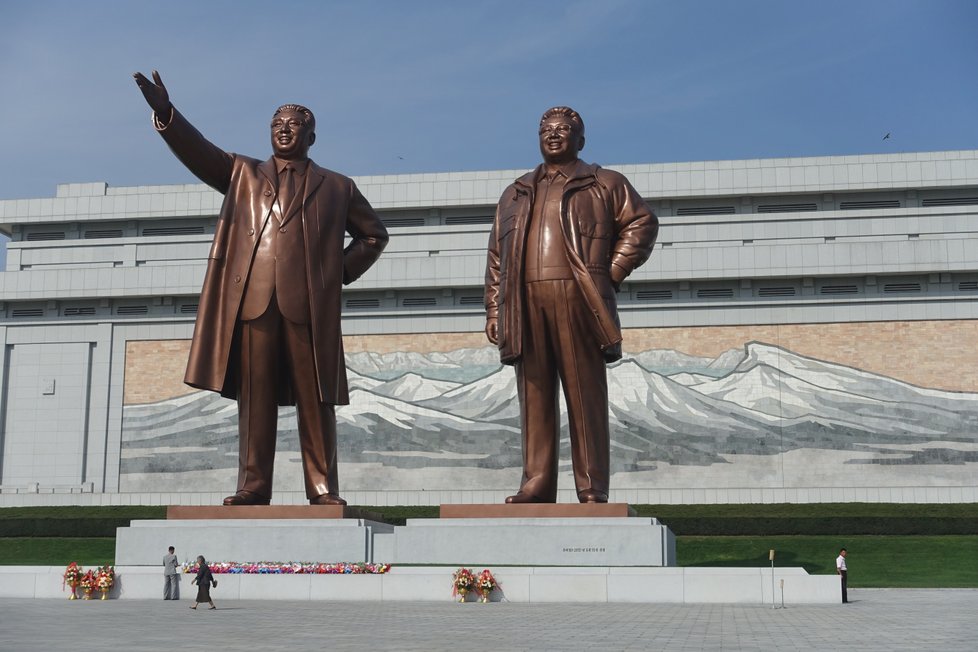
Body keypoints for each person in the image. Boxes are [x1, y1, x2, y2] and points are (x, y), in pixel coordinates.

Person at [133, 71, 389, 507]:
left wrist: (334, 275)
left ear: (312, 136)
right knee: (255, 400)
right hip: (253, 302)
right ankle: (253, 486)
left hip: (307, 306)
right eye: (276, 124)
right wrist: (166, 114)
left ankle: (323, 488)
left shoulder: (338, 187)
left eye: (293, 124)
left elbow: (373, 236)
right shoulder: (242, 173)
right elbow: (199, 154)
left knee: (316, 399)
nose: (283, 129)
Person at [484, 107, 658, 504]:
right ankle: (536, 484)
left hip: (579, 299)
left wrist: (609, 272)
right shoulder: (515, 192)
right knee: (534, 397)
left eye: (564, 130)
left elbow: (642, 224)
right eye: (546, 130)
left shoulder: (604, 183)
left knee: (585, 396)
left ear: (581, 139)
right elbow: (497, 256)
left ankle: (591, 486)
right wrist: (495, 309)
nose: (554, 135)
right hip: (524, 303)